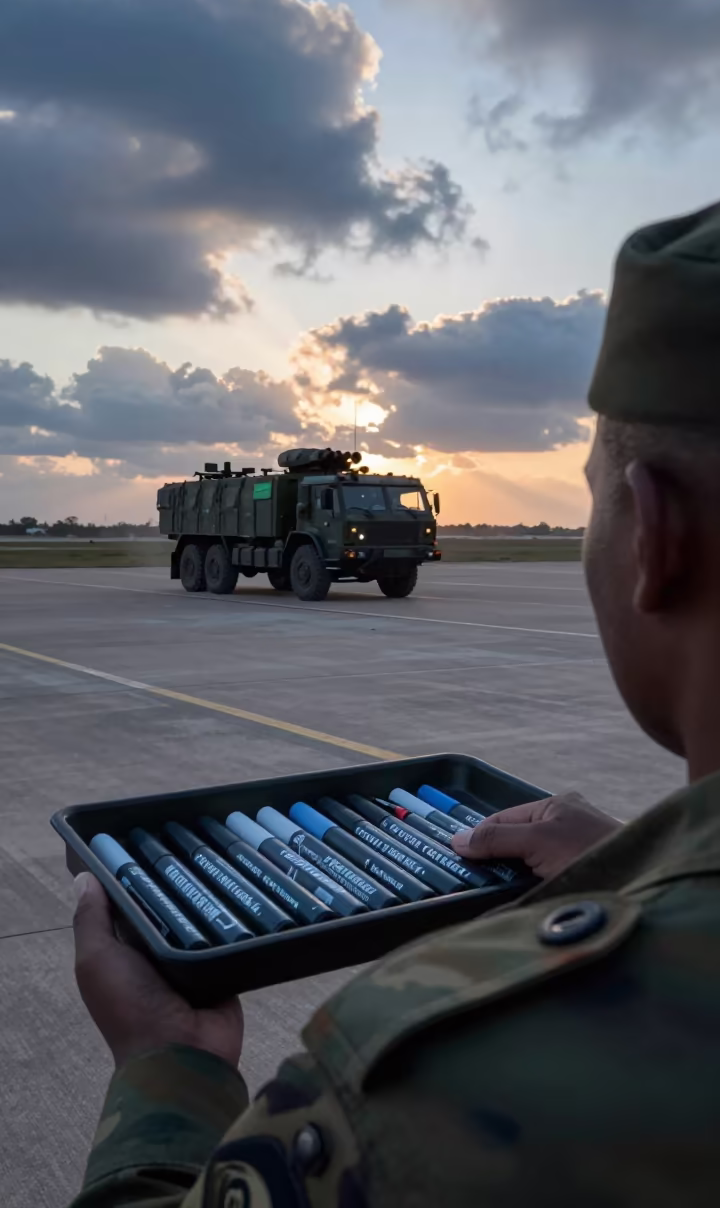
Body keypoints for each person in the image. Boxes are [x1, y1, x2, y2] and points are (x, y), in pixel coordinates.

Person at [70, 203, 720, 1207]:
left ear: (659, 535)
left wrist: (167, 1063)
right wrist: (639, 865)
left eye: (597, 498)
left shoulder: (437, 1085)